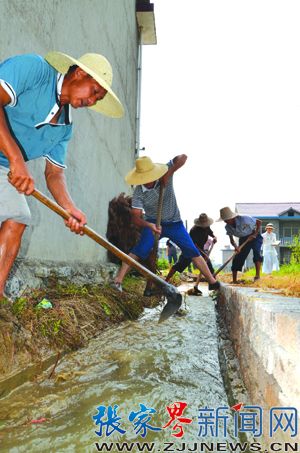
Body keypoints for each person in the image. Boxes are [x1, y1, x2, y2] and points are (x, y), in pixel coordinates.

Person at [0, 51, 123, 300]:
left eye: (98, 99)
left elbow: (54, 173)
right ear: (79, 73)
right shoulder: (35, 70)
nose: (94, 101)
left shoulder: (65, 127)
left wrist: (70, 209)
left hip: (3, 166)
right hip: (9, 162)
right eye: (95, 91)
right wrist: (16, 159)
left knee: (18, 216)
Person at [113, 155, 220, 292]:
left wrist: (168, 174)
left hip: (175, 223)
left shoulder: (163, 174)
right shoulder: (139, 192)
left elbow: (183, 157)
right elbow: (135, 218)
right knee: (141, 250)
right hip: (154, 223)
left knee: (192, 250)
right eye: (144, 179)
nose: (148, 181)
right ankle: (118, 281)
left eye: (149, 177)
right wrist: (149, 225)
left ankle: (212, 281)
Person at [165, 213, 217, 295]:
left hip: (200, 250)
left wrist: (214, 237)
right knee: (179, 266)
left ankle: (213, 286)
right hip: (189, 250)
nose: (205, 225)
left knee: (209, 268)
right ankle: (165, 281)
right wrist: (204, 254)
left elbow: (210, 232)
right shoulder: (194, 230)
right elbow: (194, 245)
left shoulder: (207, 227)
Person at [218, 206, 263, 283]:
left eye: (226, 219)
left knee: (256, 252)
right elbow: (231, 240)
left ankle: (257, 276)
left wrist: (255, 234)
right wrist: (236, 247)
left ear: (231, 218)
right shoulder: (228, 227)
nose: (225, 221)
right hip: (243, 239)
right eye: (224, 220)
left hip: (254, 235)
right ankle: (234, 280)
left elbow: (259, 222)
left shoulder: (244, 219)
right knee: (238, 257)